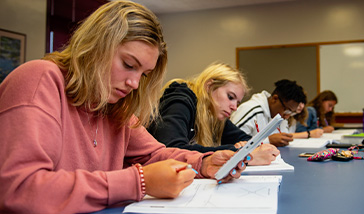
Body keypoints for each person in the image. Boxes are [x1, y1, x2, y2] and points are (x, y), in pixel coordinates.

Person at [0, 1, 249, 213]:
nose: (134, 83)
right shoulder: (40, 79)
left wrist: (202, 163)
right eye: (129, 64)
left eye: (144, 74)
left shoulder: (112, 103)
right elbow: (18, 189)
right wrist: (138, 182)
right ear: (95, 46)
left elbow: (154, 155)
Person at [147, 62, 280, 166]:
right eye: (230, 97)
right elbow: (172, 149)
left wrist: (246, 147)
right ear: (209, 87)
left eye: (238, 102)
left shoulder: (215, 114)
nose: (234, 107)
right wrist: (240, 153)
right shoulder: (180, 101)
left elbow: (246, 140)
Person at [230, 79, 313, 147]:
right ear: (275, 99)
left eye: (292, 113)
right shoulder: (251, 110)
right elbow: (231, 142)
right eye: (287, 111)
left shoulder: (279, 116)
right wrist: (268, 140)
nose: (287, 117)